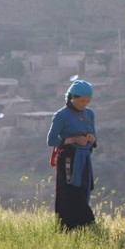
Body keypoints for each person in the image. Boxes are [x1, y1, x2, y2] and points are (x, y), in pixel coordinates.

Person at [47, 79, 97, 230]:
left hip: (84, 158)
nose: (84, 104)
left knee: (84, 189)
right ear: (72, 97)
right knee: (69, 192)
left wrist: (90, 138)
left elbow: (94, 136)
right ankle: (77, 225)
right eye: (81, 101)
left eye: (87, 101)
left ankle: (81, 229)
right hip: (69, 159)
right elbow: (51, 140)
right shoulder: (61, 115)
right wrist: (74, 139)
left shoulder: (89, 114)